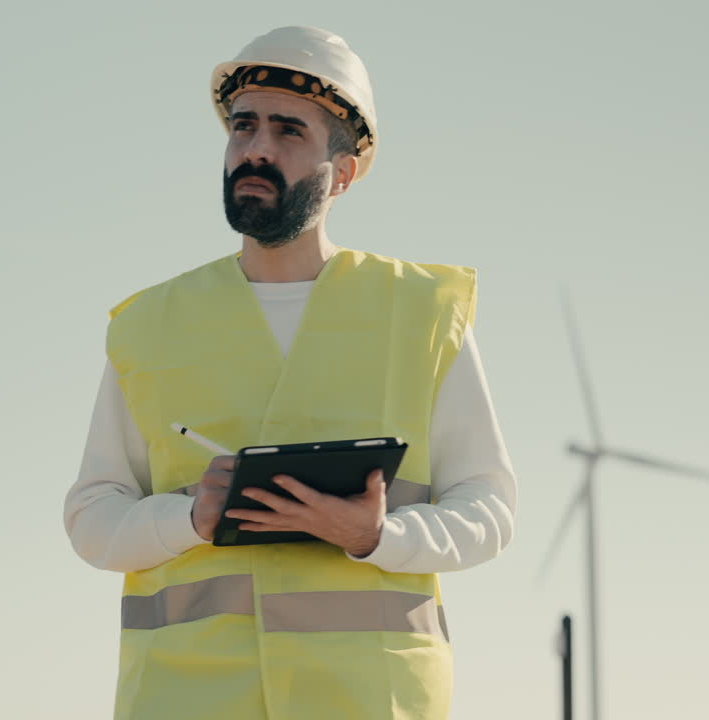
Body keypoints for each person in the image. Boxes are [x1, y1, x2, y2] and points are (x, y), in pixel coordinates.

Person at [64, 26, 517, 720]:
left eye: (288, 131)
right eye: (243, 127)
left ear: (343, 171)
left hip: (369, 700)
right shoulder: (150, 326)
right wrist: (190, 518)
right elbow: (92, 517)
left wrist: (376, 536)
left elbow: (488, 509)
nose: (257, 149)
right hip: (186, 698)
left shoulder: (422, 315)